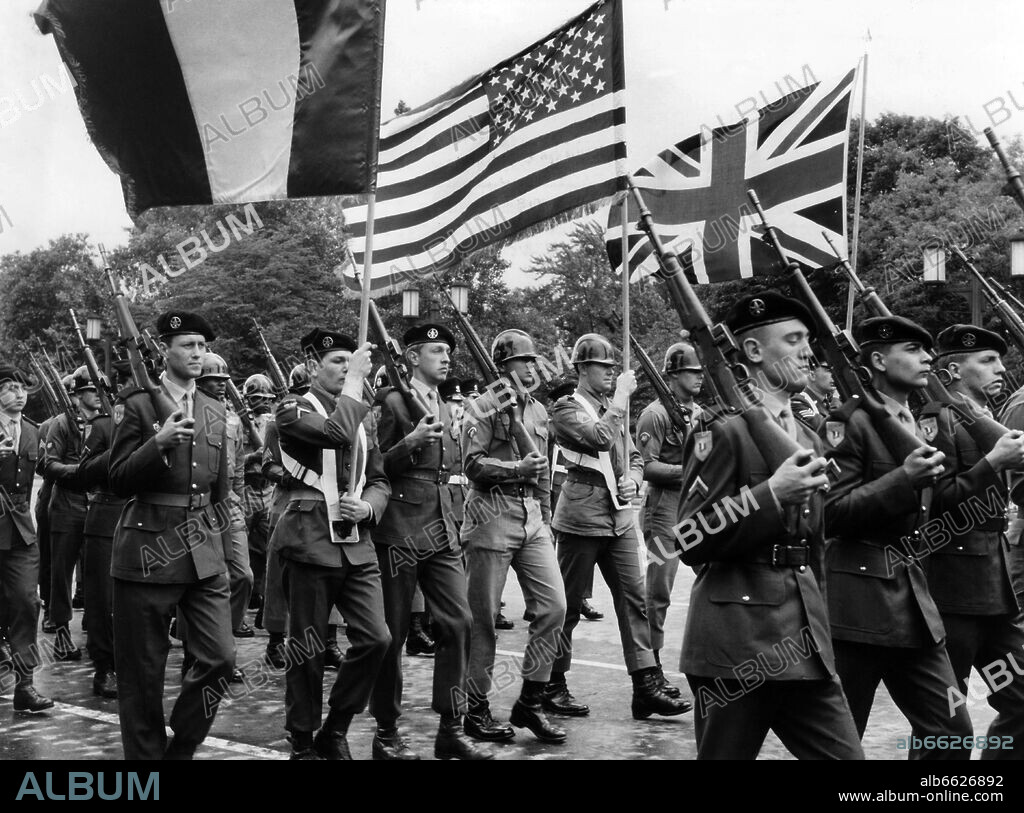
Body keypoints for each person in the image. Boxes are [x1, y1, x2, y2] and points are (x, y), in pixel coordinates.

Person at [678, 292, 863, 760]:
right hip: (737, 642)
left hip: (804, 639)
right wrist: (769, 494)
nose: (808, 351)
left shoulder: (805, 433)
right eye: (794, 339)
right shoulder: (720, 428)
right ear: (754, 352)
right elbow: (688, 536)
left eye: (808, 339)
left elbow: (816, 544)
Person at [822, 316, 972, 758]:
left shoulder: (919, 421)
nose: (928, 357)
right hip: (856, 610)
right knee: (840, 746)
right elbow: (830, 514)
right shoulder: (847, 423)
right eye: (913, 349)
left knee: (953, 734)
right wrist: (901, 481)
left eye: (928, 350)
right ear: (877, 359)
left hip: (914, 608)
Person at [107, 311, 235, 760]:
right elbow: (117, 479)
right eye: (188, 346)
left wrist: (228, 554)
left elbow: (222, 490)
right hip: (147, 550)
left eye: (202, 346)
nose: (198, 355)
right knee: (142, 675)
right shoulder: (138, 403)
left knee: (221, 659)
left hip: (203, 548)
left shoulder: (215, 408)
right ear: (165, 350)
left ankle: (181, 746)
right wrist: (157, 442)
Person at [549, 333, 689, 719]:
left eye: (613, 367)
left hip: (620, 518)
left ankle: (646, 684)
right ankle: (552, 683)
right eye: (603, 366)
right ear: (581, 369)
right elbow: (598, 438)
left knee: (635, 601)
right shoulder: (566, 408)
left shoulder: (614, 407)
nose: (611, 373)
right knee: (568, 607)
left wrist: (634, 478)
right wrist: (622, 400)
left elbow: (634, 457)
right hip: (582, 518)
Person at [370, 323, 489, 761]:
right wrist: (411, 441)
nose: (446, 358)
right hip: (399, 526)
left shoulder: (449, 404)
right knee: (392, 634)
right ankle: (386, 732)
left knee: (459, 623)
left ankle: (450, 728)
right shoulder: (393, 401)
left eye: (448, 352)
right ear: (413, 357)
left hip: (442, 527)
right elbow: (371, 466)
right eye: (436, 351)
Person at [273, 328, 391, 760]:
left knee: (377, 639)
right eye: (339, 361)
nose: (347, 368)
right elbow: (335, 433)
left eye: (350, 361)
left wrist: (371, 507)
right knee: (307, 648)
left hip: (357, 543)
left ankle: (336, 726)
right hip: (309, 540)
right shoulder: (291, 408)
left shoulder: (364, 414)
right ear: (311, 367)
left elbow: (378, 477)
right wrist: (359, 382)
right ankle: (302, 738)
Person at [461, 329, 568, 744]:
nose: (530, 366)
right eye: (523, 360)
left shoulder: (539, 411)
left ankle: (532, 701)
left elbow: (544, 466)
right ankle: (474, 706)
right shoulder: (483, 406)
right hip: (491, 512)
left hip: (532, 516)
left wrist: (544, 510)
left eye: (532, 359)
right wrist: (514, 470)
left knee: (554, 607)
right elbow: (473, 465)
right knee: (482, 618)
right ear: (503, 366)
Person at [928, 324, 1024, 759]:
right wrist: (992, 462)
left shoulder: (988, 418)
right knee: (946, 721)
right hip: (952, 593)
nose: (1000, 368)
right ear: (951, 370)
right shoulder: (937, 419)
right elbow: (935, 504)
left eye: (999, 359)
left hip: (996, 593)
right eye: (986, 361)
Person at [636, 341, 703, 696]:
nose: (699, 377)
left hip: (697, 510)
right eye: (692, 371)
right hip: (664, 511)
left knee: (712, 581)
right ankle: (652, 669)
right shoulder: (655, 414)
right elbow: (646, 466)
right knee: (658, 593)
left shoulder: (701, 413)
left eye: (700, 371)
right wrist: (689, 470)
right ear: (674, 375)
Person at [0, 365, 52, 712]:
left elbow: (54, 468)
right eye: (10, 388)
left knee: (26, 602)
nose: (20, 394)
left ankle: (25, 685)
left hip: (20, 531)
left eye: (23, 388)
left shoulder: (32, 432)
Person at [195, 354, 255, 644]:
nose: (221, 386)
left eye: (223, 382)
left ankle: (226, 636)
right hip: (201, 504)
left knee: (243, 576)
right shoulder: (192, 414)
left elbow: (240, 465)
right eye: (213, 381)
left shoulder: (233, 418)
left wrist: (240, 502)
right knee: (199, 578)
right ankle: (204, 647)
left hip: (229, 502)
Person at [45, 367, 103, 660]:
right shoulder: (61, 423)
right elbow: (48, 465)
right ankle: (62, 632)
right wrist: (79, 471)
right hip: (68, 505)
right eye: (92, 390)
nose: (98, 396)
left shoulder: (107, 424)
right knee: (62, 572)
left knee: (96, 573)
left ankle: (96, 630)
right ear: (79, 395)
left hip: (98, 506)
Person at [76, 366, 125, 700]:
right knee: (102, 601)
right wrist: (118, 450)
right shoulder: (102, 427)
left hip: (143, 518)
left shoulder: (151, 421)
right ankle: (105, 667)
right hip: (106, 517)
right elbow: (84, 473)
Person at [241, 373, 276, 631]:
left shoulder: (274, 422)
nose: (262, 403)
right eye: (257, 398)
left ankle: (264, 607)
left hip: (267, 489)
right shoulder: (237, 421)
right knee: (239, 556)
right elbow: (229, 462)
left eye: (266, 398)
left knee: (267, 552)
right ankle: (236, 615)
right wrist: (251, 458)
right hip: (245, 489)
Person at [791, 358, 835, 432]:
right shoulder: (798, 402)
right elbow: (830, 430)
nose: (834, 376)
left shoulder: (832, 401)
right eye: (829, 371)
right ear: (812, 375)